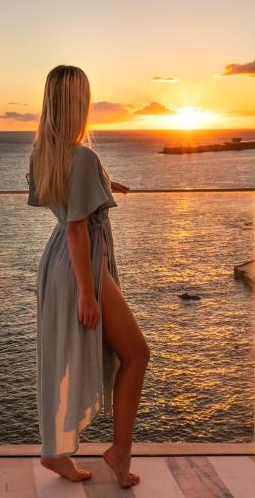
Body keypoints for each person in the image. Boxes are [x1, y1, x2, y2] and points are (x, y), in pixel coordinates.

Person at [26, 64, 150, 488]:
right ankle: (119, 452)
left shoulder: (46, 152)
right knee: (137, 354)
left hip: (58, 260)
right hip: (82, 263)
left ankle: (55, 453)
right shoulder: (81, 156)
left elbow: (60, 195)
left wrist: (107, 183)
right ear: (78, 104)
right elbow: (78, 226)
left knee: (61, 357)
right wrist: (87, 293)